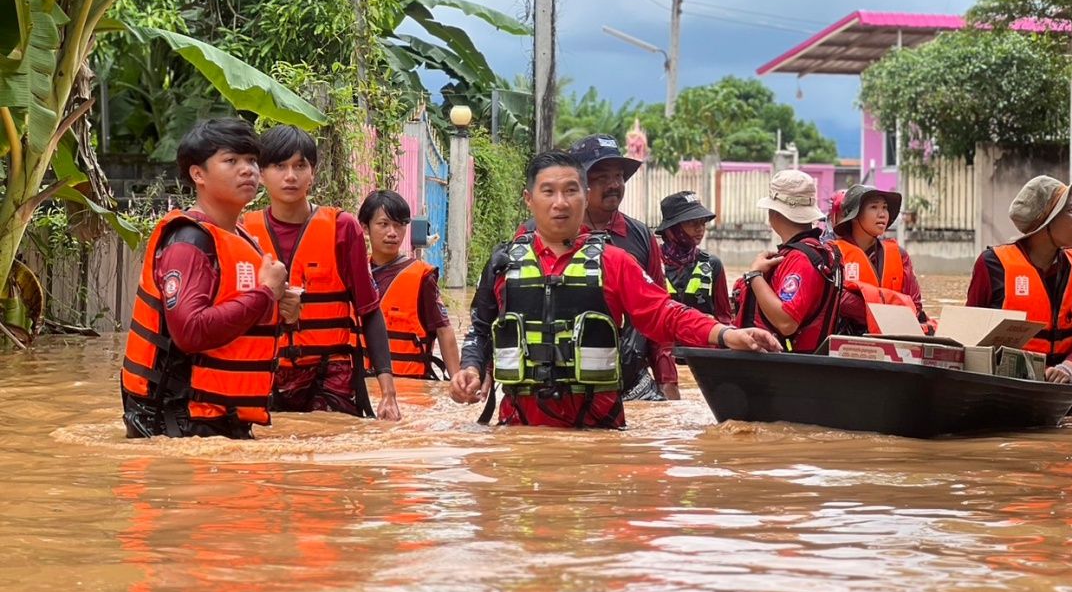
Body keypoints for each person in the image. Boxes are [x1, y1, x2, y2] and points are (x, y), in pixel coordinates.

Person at [449, 150, 779, 428]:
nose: (560, 203)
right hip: (518, 430)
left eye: (571, 191)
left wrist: (726, 334)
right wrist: (469, 369)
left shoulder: (615, 262)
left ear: (584, 195)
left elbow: (664, 314)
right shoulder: (502, 262)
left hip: (598, 429)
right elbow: (480, 330)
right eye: (548, 191)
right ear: (529, 199)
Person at [120, 118, 295, 439]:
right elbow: (190, 332)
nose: (248, 170)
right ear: (197, 174)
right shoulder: (189, 241)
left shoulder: (240, 237)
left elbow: (240, 317)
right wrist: (265, 295)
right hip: (178, 422)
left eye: (252, 161)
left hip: (218, 420)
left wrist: (283, 308)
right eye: (231, 161)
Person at [242, 125, 400, 420]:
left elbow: (369, 309)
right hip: (267, 370)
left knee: (327, 442)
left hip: (332, 371)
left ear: (312, 173)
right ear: (262, 175)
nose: (291, 176)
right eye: (280, 166)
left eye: (300, 166)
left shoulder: (342, 227)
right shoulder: (243, 231)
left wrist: (388, 392)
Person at [568, 133, 679, 401]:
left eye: (618, 177)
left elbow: (659, 313)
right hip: (564, 382)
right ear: (578, 184)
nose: (614, 185)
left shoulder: (640, 236)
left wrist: (668, 383)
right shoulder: (549, 233)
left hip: (631, 382)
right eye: (602, 178)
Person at [966, 175, 1072, 384]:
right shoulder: (992, 265)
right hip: (1010, 388)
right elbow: (969, 337)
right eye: (1070, 210)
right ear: (1046, 223)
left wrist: (1069, 367)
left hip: (1066, 388)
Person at [358, 189, 461, 381]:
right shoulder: (354, 272)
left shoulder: (422, 277)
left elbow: (443, 330)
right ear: (365, 228)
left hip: (408, 389)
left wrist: (456, 380)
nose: (392, 233)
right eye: (383, 224)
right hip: (363, 386)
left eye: (399, 226)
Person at [734, 169, 842, 353]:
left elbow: (786, 322)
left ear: (774, 213)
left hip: (786, 366)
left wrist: (755, 276)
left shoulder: (801, 259)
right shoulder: (811, 252)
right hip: (794, 365)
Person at [830, 185, 933, 336]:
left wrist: (884, 314)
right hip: (849, 337)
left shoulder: (900, 255)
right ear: (855, 216)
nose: (882, 214)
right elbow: (837, 300)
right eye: (873, 207)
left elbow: (915, 304)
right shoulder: (832, 253)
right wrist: (885, 312)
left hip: (894, 335)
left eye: (884, 207)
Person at [656, 191, 732, 324]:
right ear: (671, 229)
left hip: (702, 343)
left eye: (703, 223)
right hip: (663, 344)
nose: (700, 229)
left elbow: (724, 318)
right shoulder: (652, 262)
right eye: (692, 223)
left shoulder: (712, 265)